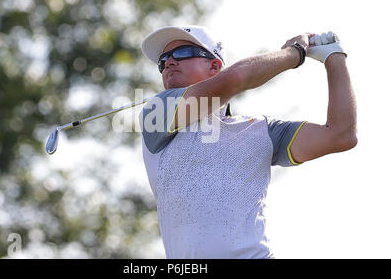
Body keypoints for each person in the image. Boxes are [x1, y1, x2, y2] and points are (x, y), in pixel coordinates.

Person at [138, 25, 357, 259]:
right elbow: (235, 78)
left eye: (181, 53)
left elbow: (340, 135)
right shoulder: (156, 112)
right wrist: (295, 53)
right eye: (163, 60)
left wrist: (334, 57)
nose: (169, 62)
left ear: (214, 66)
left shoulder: (263, 129)